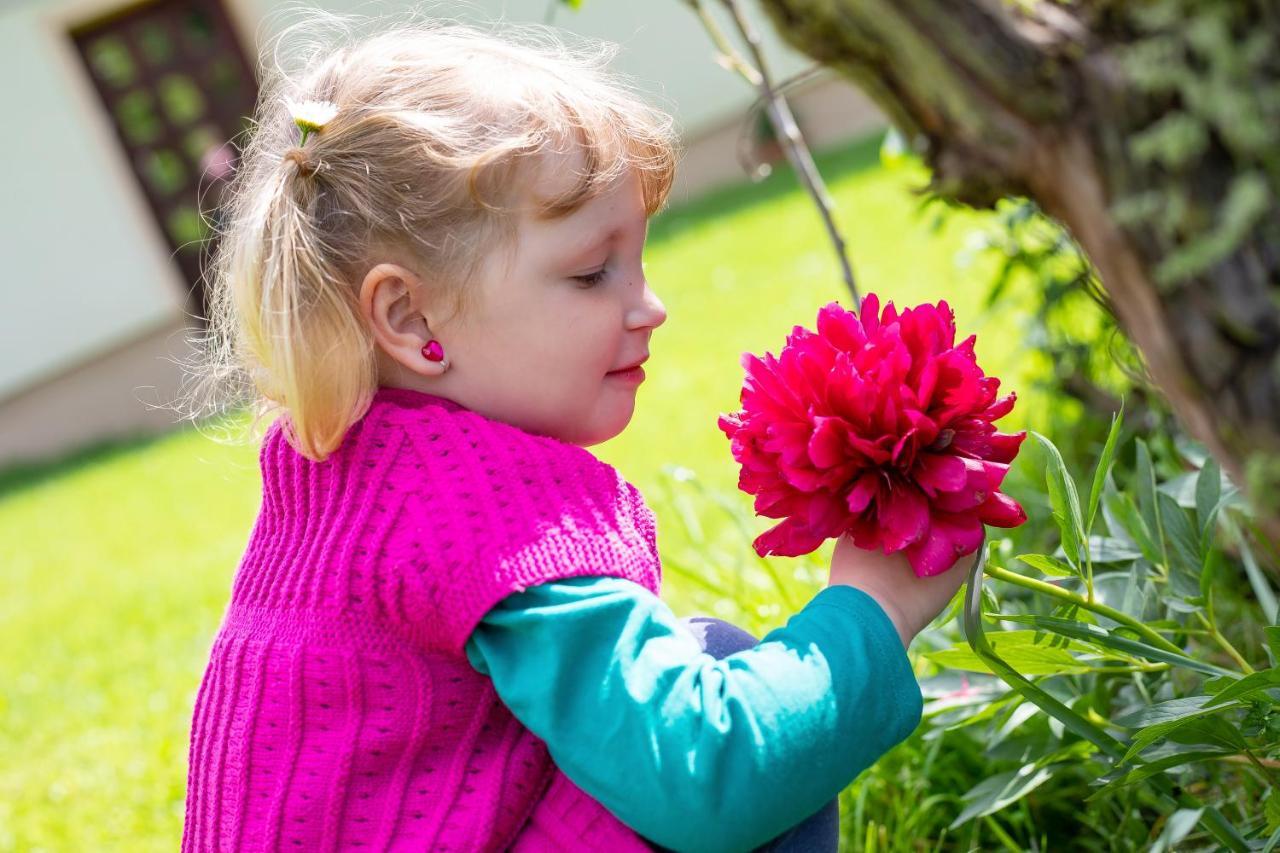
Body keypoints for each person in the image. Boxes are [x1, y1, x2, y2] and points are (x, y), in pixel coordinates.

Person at [178, 13, 972, 852]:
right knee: (729, 693)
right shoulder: (477, 505)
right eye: (593, 273)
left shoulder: (344, 478)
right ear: (409, 316)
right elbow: (707, 775)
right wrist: (874, 607)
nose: (649, 305)